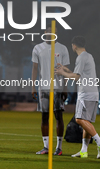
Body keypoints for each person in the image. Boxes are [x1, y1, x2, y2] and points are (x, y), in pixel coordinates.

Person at [55, 36, 100, 159]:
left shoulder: (81, 58)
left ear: (74, 45)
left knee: (79, 119)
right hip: (92, 92)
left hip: (85, 93)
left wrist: (61, 73)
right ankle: (83, 151)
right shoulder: (88, 56)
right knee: (87, 122)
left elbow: (76, 78)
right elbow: (78, 74)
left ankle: (99, 141)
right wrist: (65, 69)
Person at [31, 27, 70, 156]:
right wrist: (33, 86)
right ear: (45, 33)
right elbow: (35, 68)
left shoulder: (63, 48)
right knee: (44, 117)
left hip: (58, 87)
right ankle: (46, 147)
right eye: (50, 32)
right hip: (43, 87)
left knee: (58, 116)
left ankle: (59, 148)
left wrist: (65, 87)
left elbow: (65, 70)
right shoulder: (37, 48)